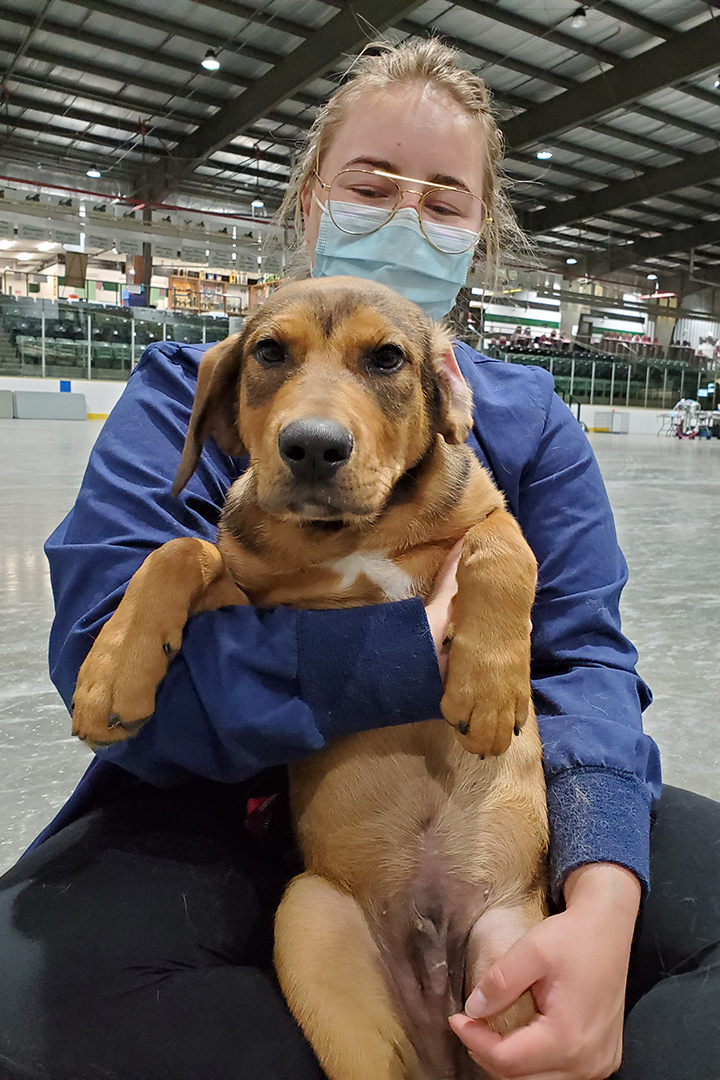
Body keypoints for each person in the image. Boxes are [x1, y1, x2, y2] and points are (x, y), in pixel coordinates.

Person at [0, 37, 718, 1080]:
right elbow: (104, 676)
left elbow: (587, 661)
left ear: (479, 234)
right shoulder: (194, 387)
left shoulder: (525, 423)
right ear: (308, 202)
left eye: (443, 199)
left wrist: (602, 903)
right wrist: (405, 646)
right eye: (370, 184)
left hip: (493, 835)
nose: (404, 217)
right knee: (43, 990)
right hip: (222, 813)